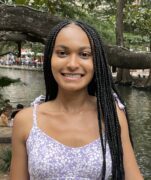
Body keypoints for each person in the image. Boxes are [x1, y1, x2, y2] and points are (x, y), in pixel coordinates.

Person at [10, 20, 143, 180]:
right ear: (49, 59)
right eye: (62, 53)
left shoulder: (112, 115)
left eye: (84, 55)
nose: (72, 64)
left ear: (97, 62)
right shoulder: (25, 121)